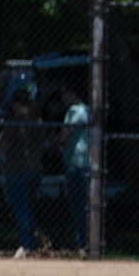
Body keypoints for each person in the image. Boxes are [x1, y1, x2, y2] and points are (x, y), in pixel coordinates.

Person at [1, 90, 46, 258]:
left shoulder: (15, 123)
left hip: (17, 170)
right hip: (35, 169)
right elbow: (44, 145)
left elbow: (6, 146)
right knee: (27, 208)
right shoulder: (38, 122)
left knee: (21, 209)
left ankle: (27, 245)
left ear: (17, 104)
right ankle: (35, 244)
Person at [57, 83, 90, 253]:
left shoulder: (76, 111)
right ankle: (84, 242)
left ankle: (82, 243)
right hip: (84, 163)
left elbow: (65, 135)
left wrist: (54, 141)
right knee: (83, 205)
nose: (62, 98)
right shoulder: (88, 110)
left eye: (64, 93)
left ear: (72, 93)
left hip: (77, 164)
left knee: (78, 205)